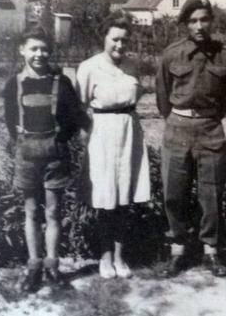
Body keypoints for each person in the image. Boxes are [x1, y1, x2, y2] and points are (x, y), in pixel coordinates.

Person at [156, 0, 226, 278]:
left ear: (211, 21)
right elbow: (163, 97)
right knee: (174, 193)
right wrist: (179, 119)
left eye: (204, 19)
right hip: (177, 127)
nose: (199, 26)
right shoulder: (171, 54)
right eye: (193, 21)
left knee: (211, 193)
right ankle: (177, 250)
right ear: (185, 24)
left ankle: (211, 252)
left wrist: (206, 119)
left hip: (210, 129)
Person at [3, 28, 84, 292]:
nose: (40, 54)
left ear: (50, 51)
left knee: (53, 212)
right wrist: (22, 143)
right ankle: (34, 266)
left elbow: (73, 119)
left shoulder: (61, 83)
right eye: (34, 48)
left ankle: (52, 266)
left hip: (54, 154)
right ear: (22, 50)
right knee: (31, 212)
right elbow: (9, 119)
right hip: (27, 153)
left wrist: (59, 140)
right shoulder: (14, 83)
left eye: (44, 49)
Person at [75, 17, 151, 279]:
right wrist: (95, 133)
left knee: (123, 201)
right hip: (102, 137)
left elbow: (136, 96)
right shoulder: (88, 68)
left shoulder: (132, 66)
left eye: (124, 40)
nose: (120, 44)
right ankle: (105, 258)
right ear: (104, 39)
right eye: (114, 39)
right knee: (106, 200)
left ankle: (120, 257)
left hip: (129, 134)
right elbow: (79, 107)